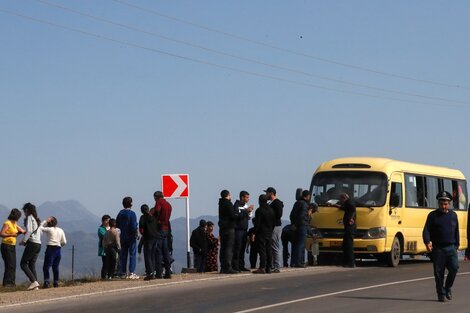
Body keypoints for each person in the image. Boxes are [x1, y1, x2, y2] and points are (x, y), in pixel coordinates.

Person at [423, 191, 460, 302]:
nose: (443, 206)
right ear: (438, 203)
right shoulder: (432, 215)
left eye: (446, 204)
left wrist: (456, 245)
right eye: (441, 204)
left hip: (451, 248)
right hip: (438, 249)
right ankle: (441, 294)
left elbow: (456, 231)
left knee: (454, 268)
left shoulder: (453, 215)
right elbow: (426, 230)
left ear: (449, 204)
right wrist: (427, 241)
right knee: (439, 274)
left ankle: (447, 288)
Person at [331, 193, 356, 268]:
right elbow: (346, 208)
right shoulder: (348, 203)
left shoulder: (349, 202)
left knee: (349, 245)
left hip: (349, 227)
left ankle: (351, 263)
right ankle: (346, 262)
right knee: (345, 245)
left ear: (344, 198)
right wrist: (337, 206)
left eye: (341, 199)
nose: (341, 201)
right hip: (348, 227)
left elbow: (353, 209)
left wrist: (352, 218)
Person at [20, 203, 42, 290]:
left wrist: (24, 241)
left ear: (26, 210)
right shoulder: (36, 219)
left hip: (32, 244)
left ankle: (34, 282)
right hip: (38, 244)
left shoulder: (30, 217)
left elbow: (29, 231)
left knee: (23, 264)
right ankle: (35, 285)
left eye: (24, 211)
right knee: (32, 264)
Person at [1, 208, 25, 287]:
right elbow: (1, 234)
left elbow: (22, 231)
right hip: (6, 246)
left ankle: (11, 282)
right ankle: (7, 283)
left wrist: (23, 232)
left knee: (13, 264)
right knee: (9, 264)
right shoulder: (7, 223)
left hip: (12, 246)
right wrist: (11, 235)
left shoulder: (14, 224)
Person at [116, 196, 139, 279]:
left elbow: (117, 226)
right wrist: (136, 233)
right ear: (131, 203)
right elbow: (133, 226)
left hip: (122, 237)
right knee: (132, 254)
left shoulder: (120, 213)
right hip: (131, 237)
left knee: (123, 255)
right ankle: (131, 272)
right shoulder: (132, 214)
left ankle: (123, 272)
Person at [41, 216, 66, 288]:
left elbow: (40, 227)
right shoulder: (61, 230)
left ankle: (46, 282)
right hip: (58, 249)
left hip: (50, 249)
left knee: (46, 266)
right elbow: (64, 242)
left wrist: (45, 221)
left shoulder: (49, 229)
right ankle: (56, 282)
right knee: (55, 267)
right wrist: (59, 244)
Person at [253, 194, 276, 274]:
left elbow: (257, 223)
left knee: (262, 250)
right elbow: (274, 223)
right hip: (269, 232)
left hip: (261, 233)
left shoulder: (259, 210)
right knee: (268, 250)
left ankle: (262, 267)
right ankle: (269, 267)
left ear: (259, 201)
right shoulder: (271, 210)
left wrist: (254, 232)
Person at [152, 191, 172, 279]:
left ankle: (159, 272)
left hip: (160, 229)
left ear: (156, 197)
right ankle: (168, 271)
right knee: (166, 251)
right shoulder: (168, 204)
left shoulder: (159, 202)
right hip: (166, 228)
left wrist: (154, 219)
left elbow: (157, 211)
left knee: (158, 251)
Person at [232, 191, 254, 272]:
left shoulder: (245, 206)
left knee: (242, 249)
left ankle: (241, 265)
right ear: (242, 197)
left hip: (245, 230)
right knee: (237, 248)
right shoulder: (236, 206)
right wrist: (246, 211)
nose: (248, 199)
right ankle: (235, 266)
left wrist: (249, 212)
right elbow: (237, 216)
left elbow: (247, 217)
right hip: (238, 230)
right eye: (247, 197)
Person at [218, 190, 238, 274]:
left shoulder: (220, 204)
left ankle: (223, 267)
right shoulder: (228, 204)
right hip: (229, 228)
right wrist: (237, 214)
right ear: (228, 195)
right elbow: (232, 215)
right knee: (229, 248)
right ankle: (228, 267)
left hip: (222, 228)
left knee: (223, 248)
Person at [289, 190, 311, 268]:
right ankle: (299, 262)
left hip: (296, 226)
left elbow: (291, 215)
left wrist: (294, 224)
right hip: (302, 226)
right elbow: (302, 216)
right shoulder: (304, 204)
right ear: (307, 196)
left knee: (296, 244)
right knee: (301, 244)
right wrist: (308, 215)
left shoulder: (297, 203)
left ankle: (295, 262)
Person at [139, 204, 159, 280]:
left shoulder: (143, 217)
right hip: (155, 237)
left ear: (141, 211)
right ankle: (153, 271)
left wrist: (143, 234)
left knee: (147, 256)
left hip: (148, 238)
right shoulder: (153, 217)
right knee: (152, 255)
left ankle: (150, 273)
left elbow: (141, 229)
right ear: (147, 209)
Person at [265, 187, 284, 273]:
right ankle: (273, 265)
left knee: (275, 246)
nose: (266, 195)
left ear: (271, 193)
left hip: (275, 226)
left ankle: (277, 266)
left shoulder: (277, 203)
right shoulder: (272, 203)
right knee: (272, 246)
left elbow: (279, 214)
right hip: (272, 226)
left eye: (267, 193)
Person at [98, 214, 111, 280]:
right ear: (103, 221)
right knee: (105, 263)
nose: (107, 222)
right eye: (106, 220)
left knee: (111, 263)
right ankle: (103, 277)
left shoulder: (112, 228)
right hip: (104, 249)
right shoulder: (100, 229)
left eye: (108, 220)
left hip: (111, 248)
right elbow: (105, 236)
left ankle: (110, 276)